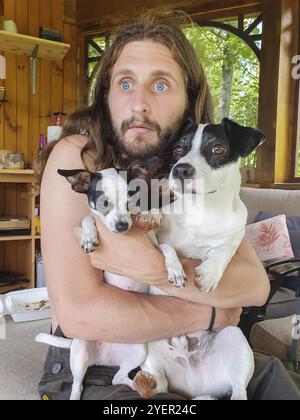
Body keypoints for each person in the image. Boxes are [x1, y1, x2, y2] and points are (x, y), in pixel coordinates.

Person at [36, 11, 300, 400]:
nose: (139, 102)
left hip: (194, 354)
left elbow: (253, 285)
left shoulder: (194, 172)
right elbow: (81, 315)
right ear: (106, 93)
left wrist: (156, 271)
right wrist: (209, 311)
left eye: (160, 84)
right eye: (125, 83)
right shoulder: (80, 158)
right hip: (106, 362)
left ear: (189, 99)